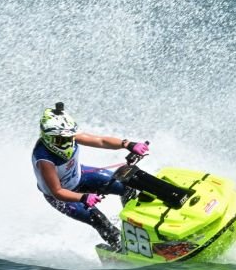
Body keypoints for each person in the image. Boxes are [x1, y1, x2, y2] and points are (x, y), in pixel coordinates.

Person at [31, 102, 149, 251]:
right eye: (60, 140)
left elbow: (101, 141)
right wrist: (83, 197)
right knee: (98, 219)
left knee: (128, 187)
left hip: (81, 177)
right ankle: (122, 247)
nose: (66, 142)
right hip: (62, 196)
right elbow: (57, 191)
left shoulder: (69, 136)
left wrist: (127, 144)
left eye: (68, 138)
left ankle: (136, 226)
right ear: (47, 137)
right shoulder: (44, 160)